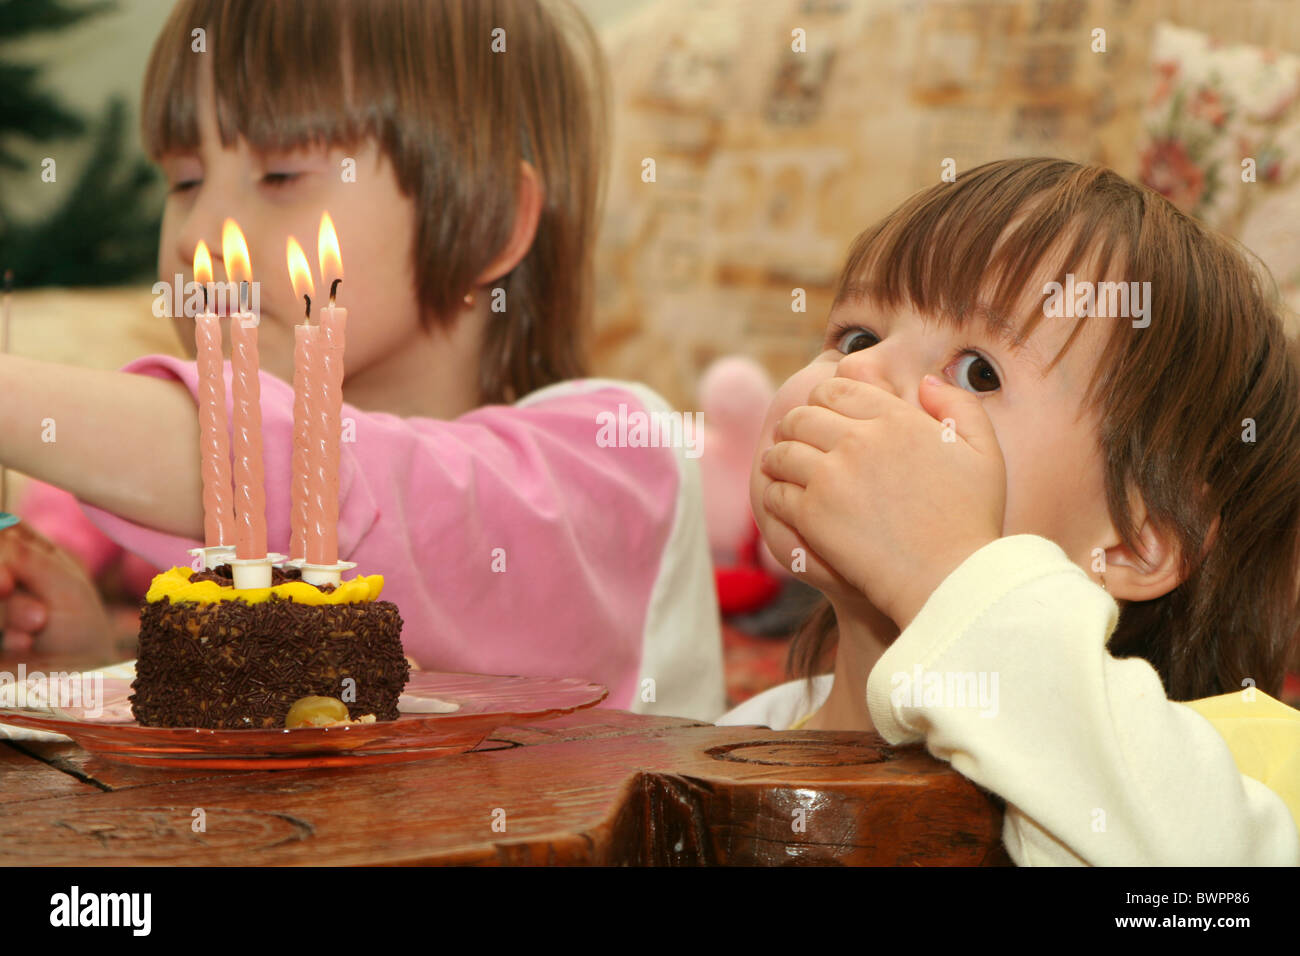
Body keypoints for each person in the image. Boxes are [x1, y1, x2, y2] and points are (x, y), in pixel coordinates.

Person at [0, 0, 724, 721]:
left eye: (280, 174)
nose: (198, 236)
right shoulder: (246, 547)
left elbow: (334, 476)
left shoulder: (612, 465)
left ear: (489, 218)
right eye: (185, 181)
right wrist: (84, 664)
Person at [720, 158, 1300, 864]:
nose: (859, 373)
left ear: (1136, 543)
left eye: (978, 373)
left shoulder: (1240, 774)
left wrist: (949, 574)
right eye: (857, 337)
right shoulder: (750, 735)